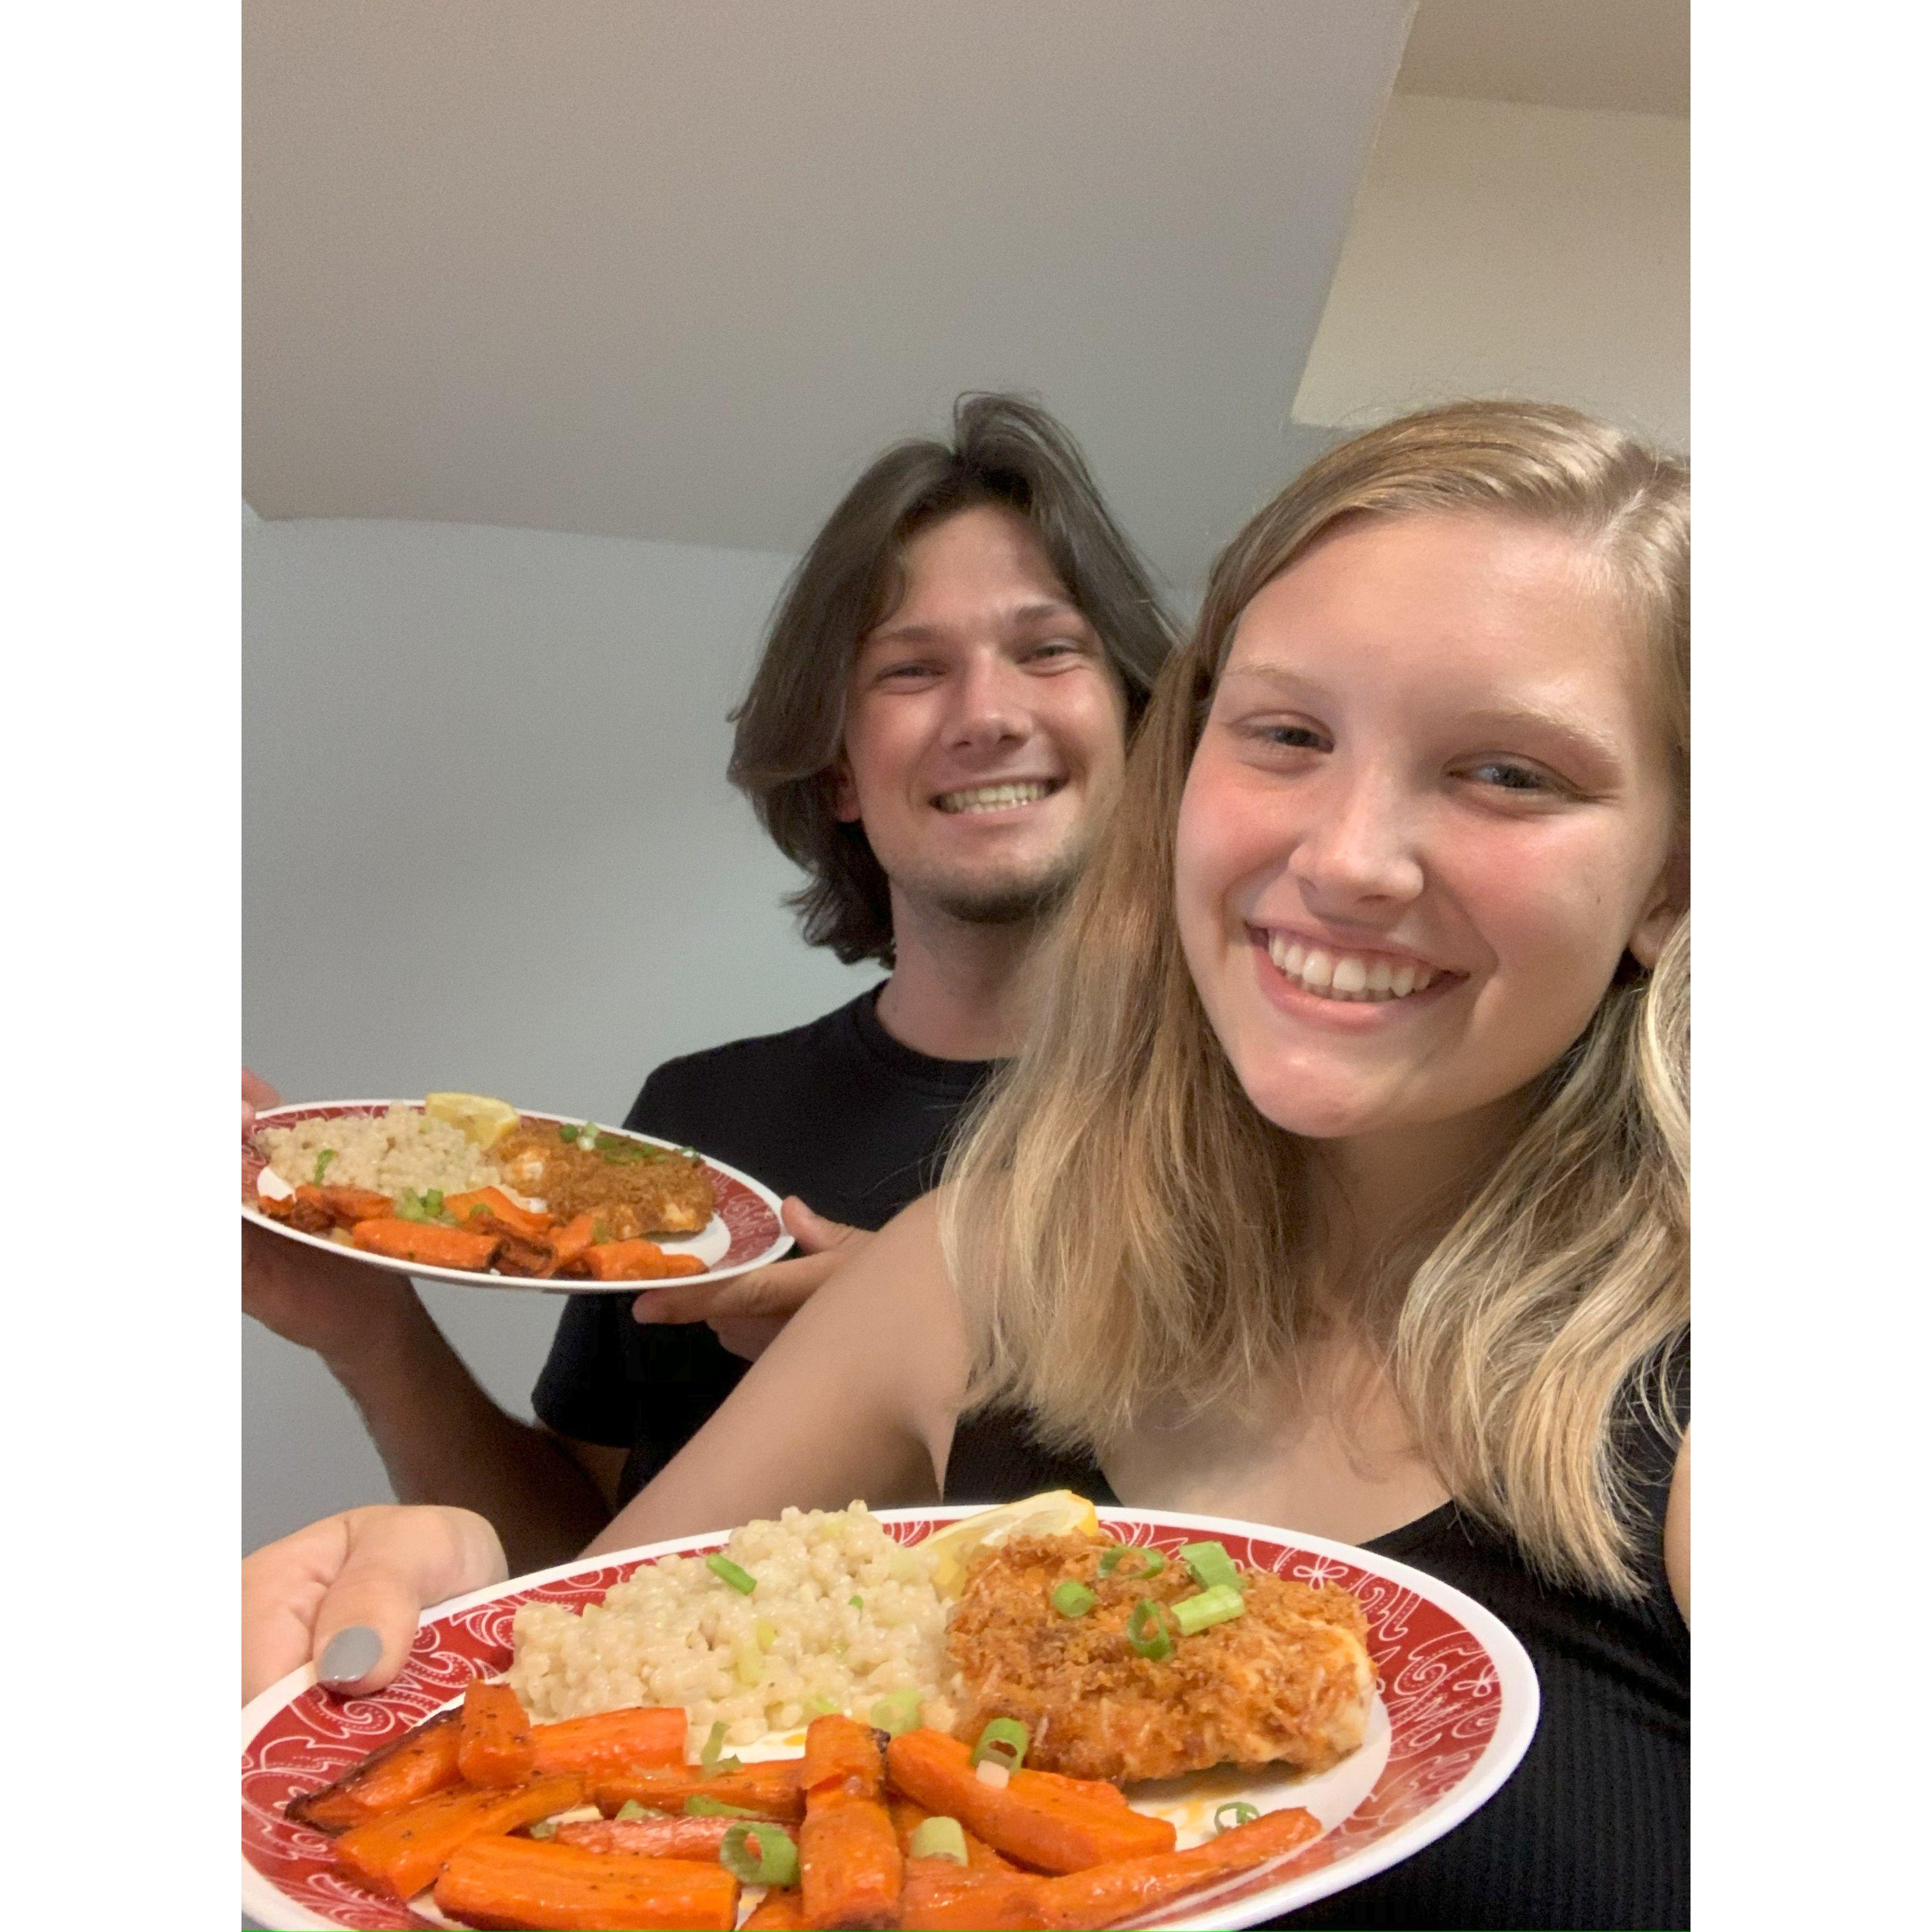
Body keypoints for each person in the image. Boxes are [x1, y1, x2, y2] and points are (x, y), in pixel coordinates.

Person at [245, 401, 1689, 1928]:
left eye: (1510, 772)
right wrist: (443, 1590)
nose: (1343, 853)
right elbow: (566, 1676)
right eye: (1284, 732)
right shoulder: (976, 1257)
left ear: (1674, 873)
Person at [243, 394, 1177, 1570]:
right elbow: (568, 1569)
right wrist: (372, 1330)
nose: (987, 714)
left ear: (1139, 726)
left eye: (1048, 650)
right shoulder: (694, 1134)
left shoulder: (1246, 1126)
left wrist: (941, 1339)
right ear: (837, 768)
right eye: (911, 670)